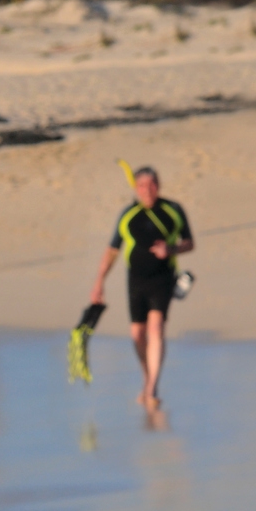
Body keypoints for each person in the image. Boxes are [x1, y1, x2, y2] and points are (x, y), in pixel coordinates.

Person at [89, 166, 194, 411]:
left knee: (156, 328)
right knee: (137, 334)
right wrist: (99, 282)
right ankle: (148, 376)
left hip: (163, 276)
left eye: (152, 184)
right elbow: (112, 250)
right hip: (135, 280)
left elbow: (189, 243)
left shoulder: (173, 210)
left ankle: (152, 387)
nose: (148, 190)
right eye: (143, 186)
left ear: (159, 185)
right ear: (136, 189)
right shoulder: (128, 214)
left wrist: (171, 250)